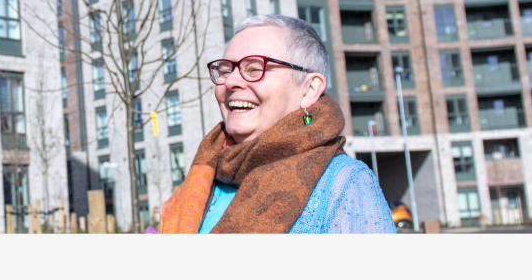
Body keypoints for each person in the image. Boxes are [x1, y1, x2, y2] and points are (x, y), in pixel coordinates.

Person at [157, 14, 394, 233]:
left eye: (254, 68)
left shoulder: (345, 184)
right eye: (226, 70)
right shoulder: (205, 178)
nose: (231, 82)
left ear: (310, 89)